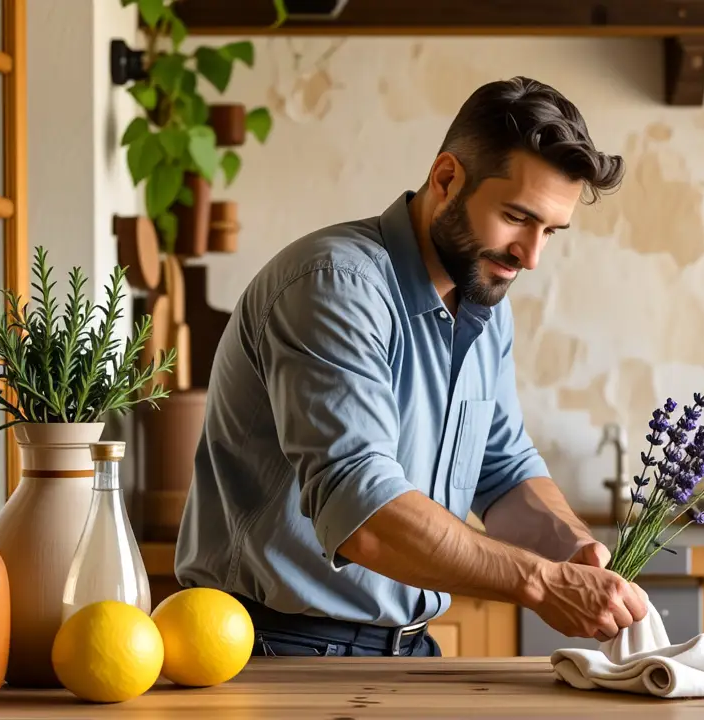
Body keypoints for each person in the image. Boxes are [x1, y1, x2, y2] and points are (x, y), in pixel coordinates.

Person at [174, 76, 648, 658]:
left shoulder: (484, 303)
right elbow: (363, 513)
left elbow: (502, 469)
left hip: (409, 650)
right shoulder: (335, 287)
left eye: (549, 230)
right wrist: (542, 582)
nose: (532, 255)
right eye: (516, 217)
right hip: (275, 649)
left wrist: (575, 548)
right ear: (447, 179)